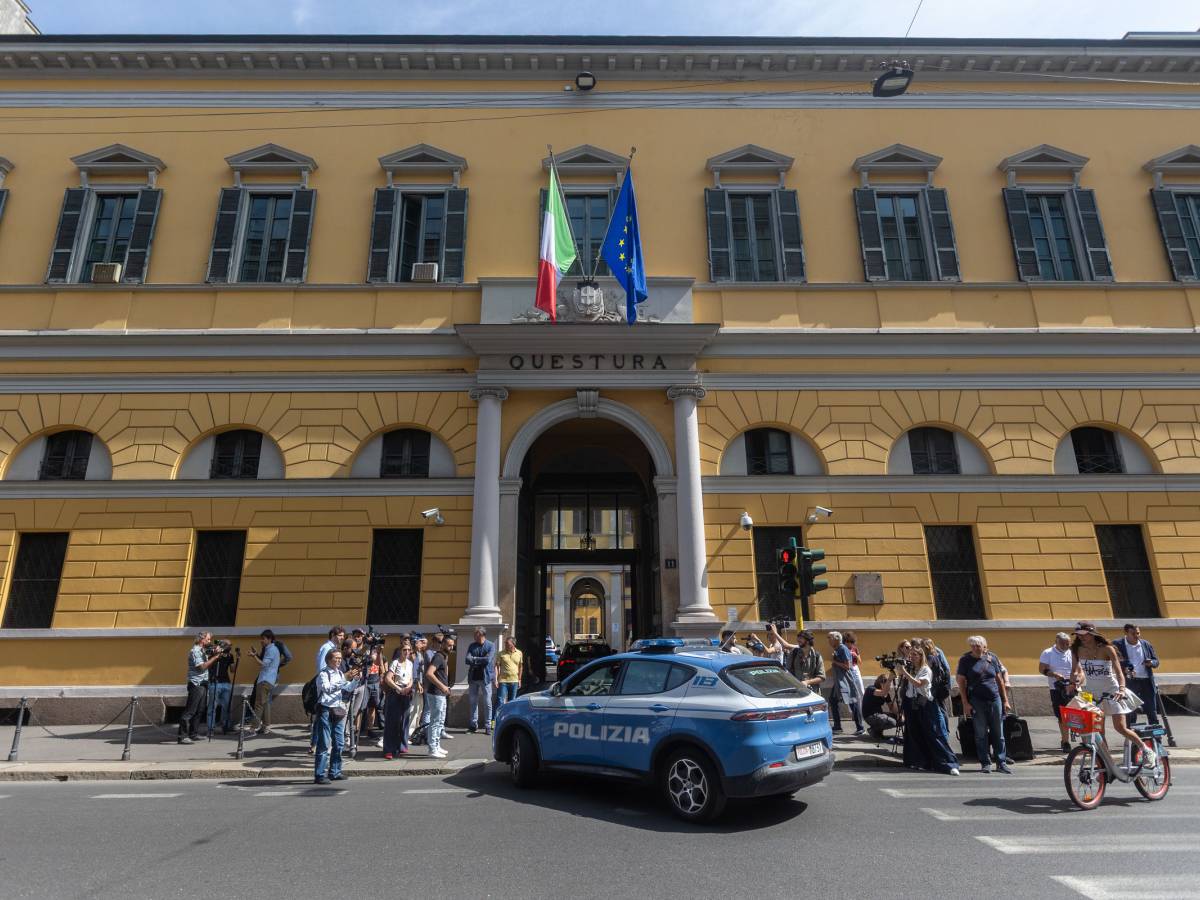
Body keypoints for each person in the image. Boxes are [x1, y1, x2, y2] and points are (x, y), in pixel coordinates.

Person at [1071, 622, 1156, 768]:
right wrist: (1075, 679)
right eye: (1078, 635)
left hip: (1111, 691)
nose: (1080, 637)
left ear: (1092, 634)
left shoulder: (1107, 649)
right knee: (1098, 731)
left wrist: (1122, 689)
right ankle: (1107, 764)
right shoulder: (1076, 649)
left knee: (1120, 727)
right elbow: (1075, 671)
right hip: (1089, 694)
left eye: (1083, 635)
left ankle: (1146, 750)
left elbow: (1118, 672)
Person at [896, 645, 960, 775]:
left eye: (915, 655)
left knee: (934, 733)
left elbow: (919, 684)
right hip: (912, 703)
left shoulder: (926, 670)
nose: (912, 657)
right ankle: (921, 761)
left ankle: (949, 764)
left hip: (925, 703)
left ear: (921, 656)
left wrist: (904, 673)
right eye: (911, 654)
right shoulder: (911, 668)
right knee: (916, 734)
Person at [955, 636, 1013, 773]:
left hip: (994, 699)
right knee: (981, 734)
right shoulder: (965, 660)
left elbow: (999, 680)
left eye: (978, 645)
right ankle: (985, 763)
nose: (975, 648)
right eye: (973, 645)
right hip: (976, 701)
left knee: (998, 733)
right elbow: (961, 682)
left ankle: (1001, 762)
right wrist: (965, 703)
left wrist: (1005, 700)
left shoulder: (992, 658)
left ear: (984, 646)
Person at [314, 649, 361, 784]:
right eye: (336, 658)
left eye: (340, 658)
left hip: (338, 709)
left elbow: (348, 688)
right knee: (324, 743)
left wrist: (355, 680)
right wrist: (345, 679)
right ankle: (319, 774)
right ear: (329, 660)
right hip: (325, 709)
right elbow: (327, 689)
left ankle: (335, 771)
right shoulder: (323, 674)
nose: (339, 660)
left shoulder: (340, 673)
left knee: (339, 743)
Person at [179, 632, 224, 744]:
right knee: (190, 710)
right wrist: (215, 657)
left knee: (200, 710)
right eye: (208, 639)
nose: (209, 641)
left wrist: (216, 651)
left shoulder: (203, 651)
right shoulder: (195, 651)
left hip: (203, 683)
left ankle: (193, 734)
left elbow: (209, 654)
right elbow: (202, 667)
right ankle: (182, 736)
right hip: (196, 684)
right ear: (201, 639)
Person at [1116, 623, 1160, 727]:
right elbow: (1115, 661)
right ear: (1126, 633)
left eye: (1138, 633)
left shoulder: (1145, 644)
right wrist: (1125, 668)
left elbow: (1156, 661)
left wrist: (1151, 663)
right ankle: (1132, 736)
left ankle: (1156, 737)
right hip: (1130, 681)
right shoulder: (1118, 644)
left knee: (1151, 709)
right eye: (1133, 633)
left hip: (1146, 681)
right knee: (1131, 710)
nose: (1137, 636)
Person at [1040, 631, 1076, 752]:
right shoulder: (1048, 653)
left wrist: (1077, 679)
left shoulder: (1072, 653)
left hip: (1072, 686)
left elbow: (1079, 670)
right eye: (1063, 644)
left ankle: (1082, 739)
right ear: (1056, 642)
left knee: (1077, 715)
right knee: (1062, 716)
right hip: (1057, 688)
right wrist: (1054, 674)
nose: (1066, 646)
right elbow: (1042, 669)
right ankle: (1065, 741)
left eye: (1068, 644)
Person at [382, 639, 418, 759]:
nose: (407, 652)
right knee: (392, 721)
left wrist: (409, 686)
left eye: (408, 650)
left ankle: (402, 746)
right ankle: (389, 749)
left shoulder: (410, 663)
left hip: (406, 692)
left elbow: (411, 678)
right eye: (404, 650)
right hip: (395, 692)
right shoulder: (395, 663)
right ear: (400, 651)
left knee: (404, 721)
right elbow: (388, 678)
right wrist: (398, 688)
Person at [827, 631, 864, 735]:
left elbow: (848, 666)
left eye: (830, 638)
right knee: (833, 701)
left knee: (853, 701)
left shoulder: (842, 648)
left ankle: (860, 727)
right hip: (839, 681)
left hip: (846, 680)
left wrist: (835, 662)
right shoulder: (838, 649)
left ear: (836, 639)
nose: (828, 640)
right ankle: (838, 726)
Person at [425, 635, 455, 759]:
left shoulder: (444, 657)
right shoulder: (438, 657)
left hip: (441, 693)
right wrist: (442, 686)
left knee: (440, 721)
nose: (451, 647)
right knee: (435, 721)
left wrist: (446, 688)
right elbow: (429, 674)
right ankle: (432, 748)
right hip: (436, 693)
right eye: (449, 645)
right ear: (442, 644)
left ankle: (437, 746)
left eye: (453, 645)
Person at [248, 629, 280, 737]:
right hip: (270, 680)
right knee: (265, 704)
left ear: (269, 639)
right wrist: (257, 654)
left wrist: (254, 656)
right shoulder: (272, 649)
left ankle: (253, 727)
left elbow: (263, 664)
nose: (261, 641)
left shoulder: (270, 650)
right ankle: (266, 726)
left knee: (259, 704)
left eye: (263, 639)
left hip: (265, 680)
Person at [465, 627, 496, 735]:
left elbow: (488, 660)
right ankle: (473, 725)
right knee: (473, 702)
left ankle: (488, 726)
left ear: (482, 635)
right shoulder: (472, 646)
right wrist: (479, 659)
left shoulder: (491, 645)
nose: (474, 637)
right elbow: (467, 659)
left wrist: (474, 659)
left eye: (476, 635)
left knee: (487, 702)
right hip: (473, 677)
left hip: (485, 677)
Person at [204, 639, 235, 737]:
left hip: (226, 683)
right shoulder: (214, 653)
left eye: (231, 645)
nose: (230, 647)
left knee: (226, 706)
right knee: (212, 707)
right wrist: (215, 654)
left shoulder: (230, 656)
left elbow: (232, 670)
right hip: (214, 682)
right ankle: (210, 729)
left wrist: (235, 659)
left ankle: (226, 726)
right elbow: (207, 662)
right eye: (229, 645)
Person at [862, 673, 899, 742]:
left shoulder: (886, 694)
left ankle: (876, 731)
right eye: (887, 684)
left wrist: (899, 714)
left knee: (900, 720)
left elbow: (891, 707)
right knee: (892, 722)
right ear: (881, 683)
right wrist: (889, 680)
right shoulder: (871, 689)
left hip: (879, 714)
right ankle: (874, 730)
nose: (889, 687)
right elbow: (883, 693)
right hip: (870, 716)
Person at [408, 633, 428, 743]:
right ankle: (410, 733)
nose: (424, 645)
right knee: (413, 709)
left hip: (420, 684)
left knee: (419, 710)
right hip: (415, 686)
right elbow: (414, 671)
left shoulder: (420, 654)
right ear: (417, 643)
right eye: (422, 642)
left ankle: (415, 731)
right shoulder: (413, 655)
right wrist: (418, 683)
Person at [496, 635, 524, 710]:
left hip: (514, 681)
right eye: (505, 643)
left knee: (512, 702)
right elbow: (496, 666)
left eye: (507, 643)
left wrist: (520, 679)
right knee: (500, 701)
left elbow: (520, 666)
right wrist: (496, 679)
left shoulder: (519, 653)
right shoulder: (501, 653)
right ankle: (497, 719)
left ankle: (509, 718)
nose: (505, 645)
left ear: (513, 644)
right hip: (503, 681)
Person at [843, 631, 866, 701]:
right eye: (847, 642)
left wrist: (855, 655)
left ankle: (864, 708)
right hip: (846, 670)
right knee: (853, 692)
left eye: (851, 642)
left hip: (855, 668)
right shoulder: (842, 649)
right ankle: (857, 710)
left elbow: (860, 661)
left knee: (861, 689)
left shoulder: (855, 649)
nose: (849, 644)